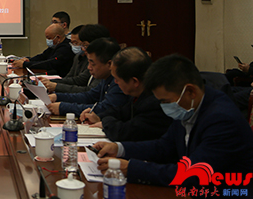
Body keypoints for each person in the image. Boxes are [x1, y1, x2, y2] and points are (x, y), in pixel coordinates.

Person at [94, 54, 253, 187]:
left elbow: (194, 173)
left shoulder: (222, 120)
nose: (163, 106)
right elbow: (164, 146)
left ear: (190, 91)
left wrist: (132, 168)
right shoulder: (188, 107)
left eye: (166, 101)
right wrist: (119, 148)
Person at [81, 47, 172, 141]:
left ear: (134, 81)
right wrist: (98, 116)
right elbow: (121, 112)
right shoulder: (138, 95)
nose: (115, 82)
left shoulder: (154, 102)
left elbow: (127, 132)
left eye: (117, 79)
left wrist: (105, 123)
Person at [46, 37, 130, 115]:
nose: (89, 67)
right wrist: (58, 97)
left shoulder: (119, 82)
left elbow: (105, 109)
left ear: (109, 64)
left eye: (92, 64)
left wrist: (64, 108)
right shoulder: (106, 78)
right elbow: (89, 96)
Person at [39, 24, 108, 93]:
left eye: (85, 45)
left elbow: (87, 89)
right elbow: (70, 77)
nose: (83, 48)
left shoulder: (102, 63)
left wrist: (56, 86)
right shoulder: (78, 57)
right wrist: (52, 84)